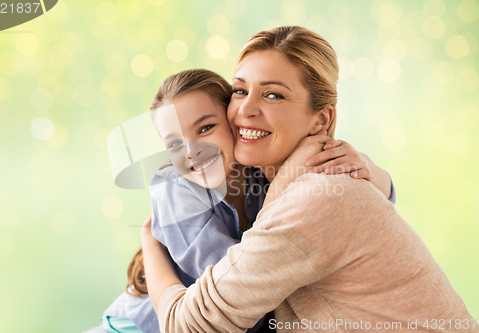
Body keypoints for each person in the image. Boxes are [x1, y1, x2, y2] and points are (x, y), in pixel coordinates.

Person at [140, 26, 477, 333]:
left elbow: (189, 326)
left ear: (321, 120)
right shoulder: (280, 179)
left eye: (274, 95)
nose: (245, 110)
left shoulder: (318, 196)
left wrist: (150, 245)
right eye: (240, 90)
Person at [87, 65, 395, 333]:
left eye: (206, 128)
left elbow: (362, 215)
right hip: (138, 327)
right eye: (174, 144)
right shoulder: (174, 191)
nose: (192, 151)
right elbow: (240, 292)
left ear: (235, 124)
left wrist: (369, 169)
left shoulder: (261, 170)